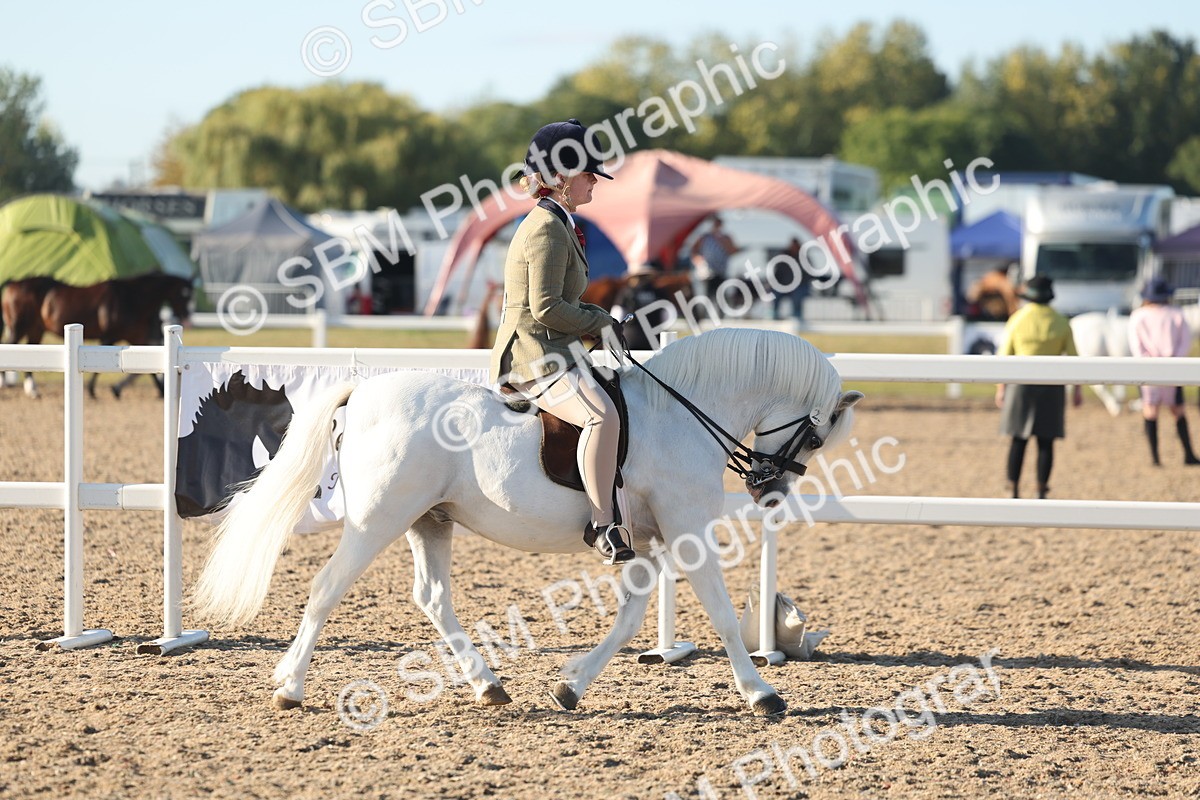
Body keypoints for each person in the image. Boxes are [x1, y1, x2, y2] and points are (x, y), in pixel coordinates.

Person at [489, 119, 634, 565]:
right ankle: (603, 524)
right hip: (533, 356)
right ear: (561, 178)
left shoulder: (559, 222)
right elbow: (548, 308)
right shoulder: (546, 229)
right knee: (601, 417)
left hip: (555, 349)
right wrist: (601, 320)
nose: (595, 180)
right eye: (588, 173)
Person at [995, 276, 1083, 498]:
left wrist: (1000, 387)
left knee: (1018, 438)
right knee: (1046, 441)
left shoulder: (1017, 319)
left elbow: (1004, 355)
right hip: (1051, 385)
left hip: (1020, 384)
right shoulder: (1061, 321)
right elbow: (1074, 358)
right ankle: (1041, 488)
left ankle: (1012, 486)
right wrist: (1078, 390)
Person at [1128, 277, 1200, 466]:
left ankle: (1155, 457)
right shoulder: (1176, 314)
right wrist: (1174, 361)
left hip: (1148, 370)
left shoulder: (1138, 315)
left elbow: (1136, 346)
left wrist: (1146, 361)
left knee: (1150, 410)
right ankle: (1188, 454)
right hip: (1172, 369)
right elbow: (1185, 342)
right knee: (1178, 411)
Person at [611, 264, 669, 351]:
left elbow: (617, 317)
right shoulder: (659, 292)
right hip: (654, 341)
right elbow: (666, 318)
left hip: (631, 340)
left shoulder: (627, 292)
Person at [690, 215, 737, 306]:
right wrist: (699, 262)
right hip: (707, 273)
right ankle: (705, 313)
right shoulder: (704, 237)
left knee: (721, 294)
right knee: (707, 294)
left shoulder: (726, 238)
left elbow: (733, 250)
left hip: (721, 271)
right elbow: (694, 251)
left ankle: (720, 314)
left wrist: (723, 242)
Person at [771, 237, 810, 322]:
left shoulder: (804, 258)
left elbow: (809, 275)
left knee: (798, 295)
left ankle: (797, 315)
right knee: (775, 294)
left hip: (799, 286)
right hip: (784, 286)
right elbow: (777, 273)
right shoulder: (783, 258)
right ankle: (774, 314)